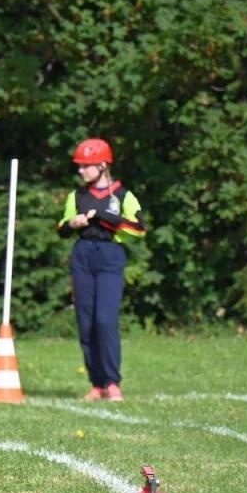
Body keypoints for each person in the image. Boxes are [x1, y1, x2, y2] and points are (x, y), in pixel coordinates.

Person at [58, 137, 146, 401]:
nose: (81, 171)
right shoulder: (77, 196)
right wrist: (72, 224)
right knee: (86, 323)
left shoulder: (122, 195)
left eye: (86, 166)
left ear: (103, 165)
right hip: (83, 255)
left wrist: (103, 217)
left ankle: (112, 382)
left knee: (105, 320)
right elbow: (61, 227)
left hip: (110, 256)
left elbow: (138, 228)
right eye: (80, 166)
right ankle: (97, 384)